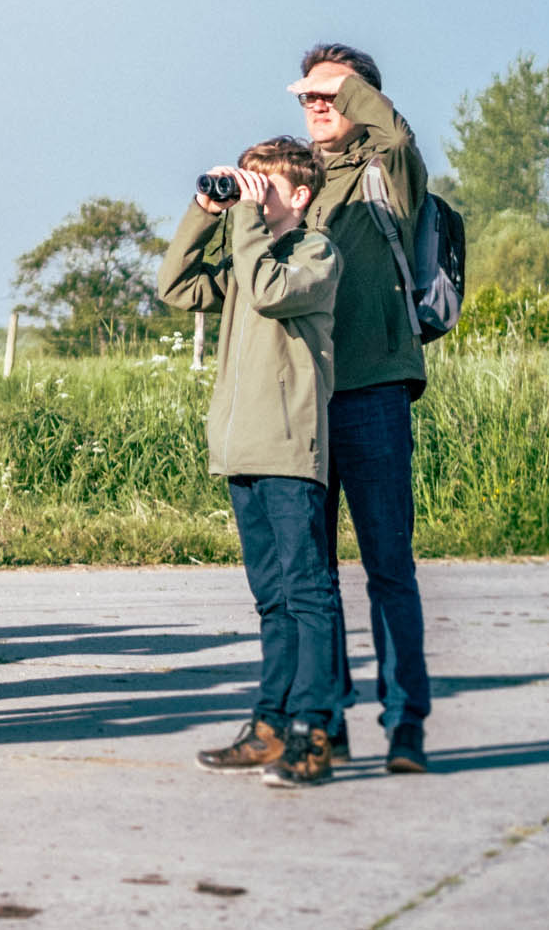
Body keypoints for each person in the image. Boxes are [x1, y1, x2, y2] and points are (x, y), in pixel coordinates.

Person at [159, 137, 346, 788]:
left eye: (261, 184)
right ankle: (270, 723)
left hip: (291, 450)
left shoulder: (316, 254)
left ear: (297, 195)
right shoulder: (247, 254)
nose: (251, 193)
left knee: (308, 594)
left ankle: (313, 730)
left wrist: (245, 218)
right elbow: (175, 284)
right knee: (272, 599)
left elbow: (268, 291)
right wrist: (205, 208)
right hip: (241, 446)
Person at [292, 44, 434, 774]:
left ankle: (406, 720)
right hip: (303, 402)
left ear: (362, 99)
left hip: (375, 388)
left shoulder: (392, 170)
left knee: (387, 565)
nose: (318, 106)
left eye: (333, 94)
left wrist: (348, 90)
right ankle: (329, 716)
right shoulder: (297, 180)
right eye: (308, 96)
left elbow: (400, 137)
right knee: (314, 574)